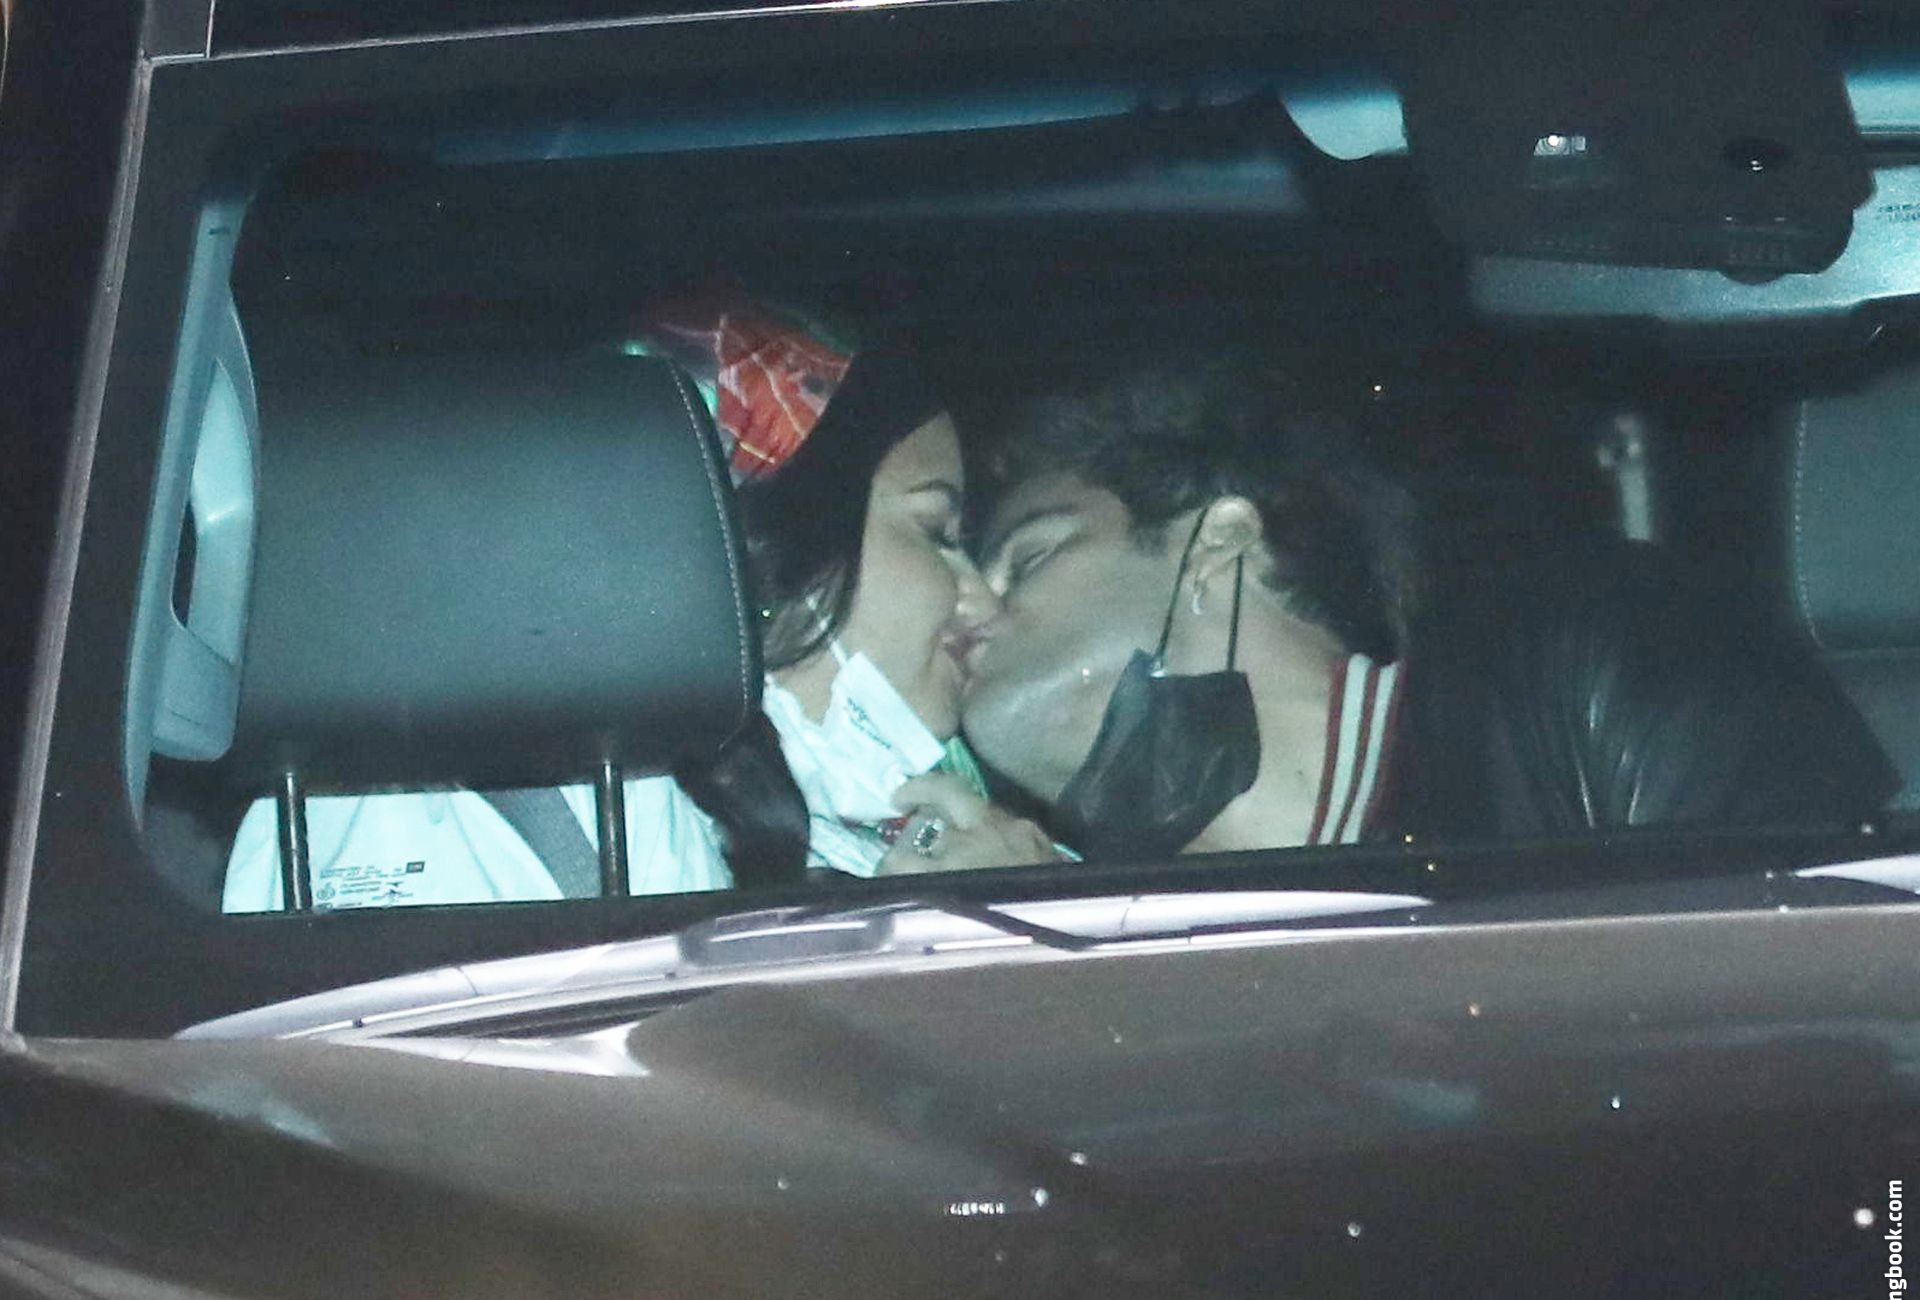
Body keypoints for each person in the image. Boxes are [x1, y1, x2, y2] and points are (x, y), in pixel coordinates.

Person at [223, 287, 1054, 913]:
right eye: (937, 531)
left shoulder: (863, 823)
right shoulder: (467, 811)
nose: (982, 602)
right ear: (755, 545)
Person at [957, 362, 1897, 861]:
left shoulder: (1587, 660)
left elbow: (1805, 1032)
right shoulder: (1096, 920)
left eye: (1027, 558)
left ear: (1218, 540)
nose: (968, 606)